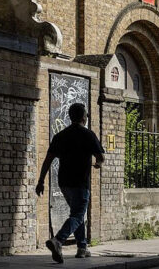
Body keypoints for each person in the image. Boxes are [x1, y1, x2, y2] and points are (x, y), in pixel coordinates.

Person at [35, 103, 105, 263]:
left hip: (64, 182)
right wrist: (98, 164)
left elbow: (48, 160)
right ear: (84, 117)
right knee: (78, 215)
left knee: (76, 213)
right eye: (86, 115)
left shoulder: (60, 136)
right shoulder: (88, 134)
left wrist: (41, 181)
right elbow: (101, 157)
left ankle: (82, 248)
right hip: (80, 182)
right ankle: (58, 240)